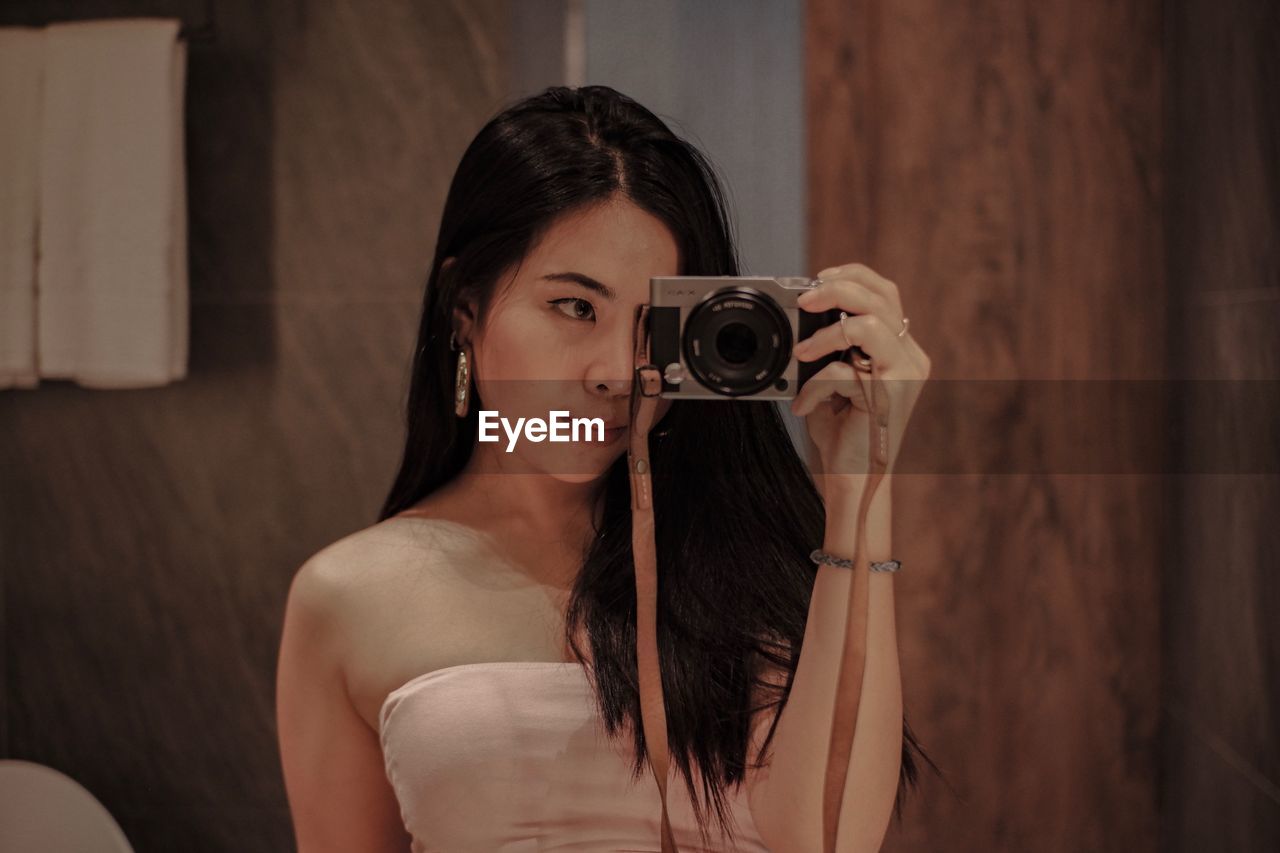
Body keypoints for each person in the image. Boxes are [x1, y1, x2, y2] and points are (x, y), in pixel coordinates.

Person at [276, 84, 940, 852]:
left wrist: (862, 482)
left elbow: (829, 840)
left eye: (652, 326)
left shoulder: (754, 559)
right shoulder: (347, 596)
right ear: (466, 307)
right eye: (575, 307)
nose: (616, 372)